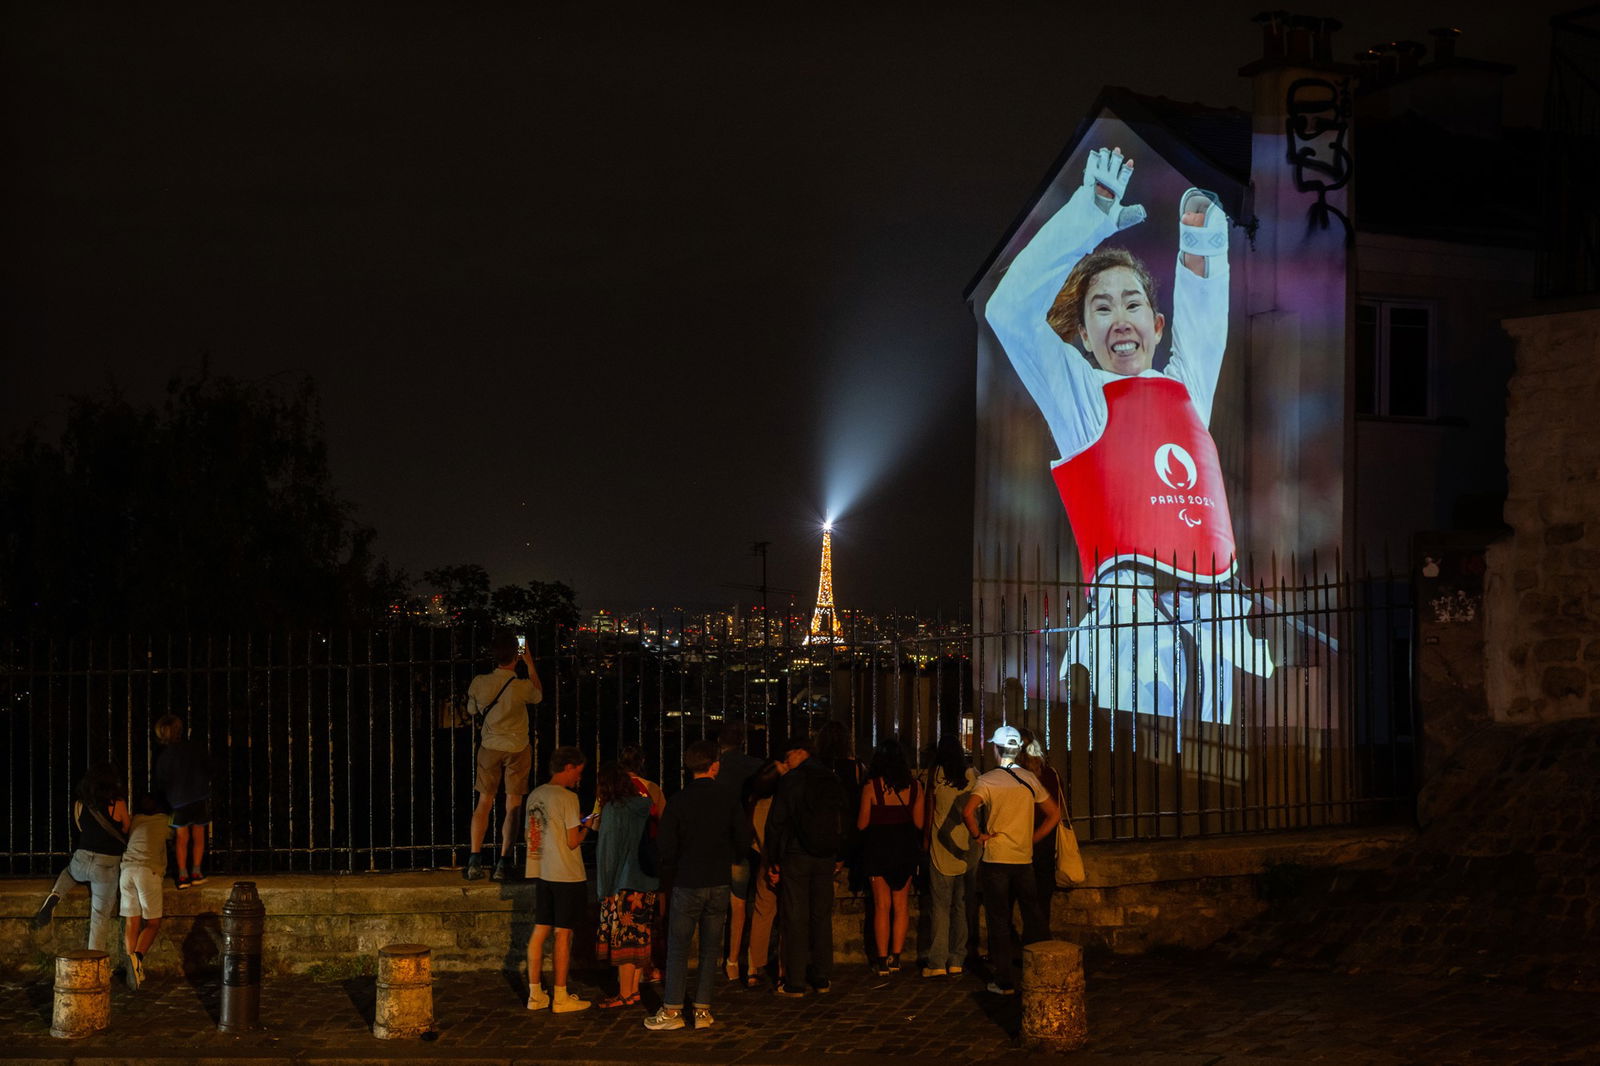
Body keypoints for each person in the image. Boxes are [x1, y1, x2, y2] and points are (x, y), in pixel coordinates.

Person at [984, 145, 1274, 724]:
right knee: (1138, 770)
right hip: (1131, 629)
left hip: (1215, 622)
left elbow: (1205, 319)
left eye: (1133, 304)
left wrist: (1200, 239)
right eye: (1101, 308)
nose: (1120, 318)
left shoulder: (1185, 390)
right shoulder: (1081, 397)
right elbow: (1008, 312)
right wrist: (1088, 217)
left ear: (1156, 325)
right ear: (1085, 338)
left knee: (1212, 774)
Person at [644, 739, 750, 1032]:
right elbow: (743, 838)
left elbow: (665, 845)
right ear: (714, 765)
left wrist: (677, 861)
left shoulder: (679, 801)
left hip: (688, 880)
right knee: (709, 949)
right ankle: (703, 1010)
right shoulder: (728, 797)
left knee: (678, 949)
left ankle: (673, 1009)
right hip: (718, 881)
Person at [962, 725, 1060, 996]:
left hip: (996, 859)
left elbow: (968, 811)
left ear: (996, 749)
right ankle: (1042, 972)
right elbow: (1054, 814)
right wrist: (1032, 839)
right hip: (1023, 859)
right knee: (1033, 916)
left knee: (999, 921)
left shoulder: (989, 780)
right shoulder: (1029, 778)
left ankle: (1004, 980)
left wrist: (979, 835)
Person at [764, 733, 849, 998]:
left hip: (796, 854)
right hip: (825, 855)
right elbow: (844, 818)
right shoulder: (831, 778)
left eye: (788, 756)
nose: (786, 762)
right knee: (821, 916)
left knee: (796, 916)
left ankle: (796, 981)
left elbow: (776, 822)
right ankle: (822, 976)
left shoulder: (791, 781)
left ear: (801, 752)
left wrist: (773, 860)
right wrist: (841, 853)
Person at [465, 629, 544, 882]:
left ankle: (474, 860)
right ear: (516, 655)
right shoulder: (521, 687)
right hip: (518, 748)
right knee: (513, 806)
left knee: (484, 802)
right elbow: (538, 694)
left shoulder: (479, 682)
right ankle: (503, 862)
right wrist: (530, 664)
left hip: (490, 747)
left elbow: (472, 709)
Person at [32, 762, 131, 953]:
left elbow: (80, 828)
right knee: (99, 915)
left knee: (69, 872)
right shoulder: (117, 803)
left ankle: (56, 895)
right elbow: (126, 828)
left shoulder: (79, 804)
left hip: (82, 858)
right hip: (106, 865)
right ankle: (93, 961)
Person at [524, 746, 591, 1014]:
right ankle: (561, 996)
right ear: (569, 767)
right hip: (566, 873)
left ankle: (535, 993)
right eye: (579, 771)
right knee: (563, 934)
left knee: (540, 931)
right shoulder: (568, 798)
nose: (579, 778)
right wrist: (587, 824)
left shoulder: (535, 795)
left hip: (542, 871)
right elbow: (572, 841)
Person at [591, 762, 658, 1009]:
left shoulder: (613, 810)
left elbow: (608, 853)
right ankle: (635, 990)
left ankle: (625, 993)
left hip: (624, 882)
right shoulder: (643, 806)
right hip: (647, 880)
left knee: (624, 940)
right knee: (640, 936)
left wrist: (604, 890)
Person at [857, 737, 924, 975]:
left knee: (881, 906)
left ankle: (882, 959)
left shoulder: (871, 787)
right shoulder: (915, 786)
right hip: (905, 848)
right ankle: (897, 957)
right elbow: (919, 822)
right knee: (901, 905)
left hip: (878, 848)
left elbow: (862, 824)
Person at [921, 732, 977, 978]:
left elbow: (929, 810)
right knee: (960, 905)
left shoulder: (934, 774)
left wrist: (924, 840)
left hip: (939, 847)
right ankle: (957, 958)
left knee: (940, 906)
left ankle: (936, 962)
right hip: (966, 847)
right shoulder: (972, 776)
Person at [714, 718, 764, 982]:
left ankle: (718, 956)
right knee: (741, 902)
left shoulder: (713, 769)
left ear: (719, 743)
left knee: (712, 903)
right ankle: (738, 960)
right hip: (743, 839)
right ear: (742, 741)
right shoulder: (754, 767)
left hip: (716, 839)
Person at [741, 758, 787, 988]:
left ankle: (753, 966)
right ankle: (782, 970)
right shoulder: (782, 803)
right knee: (787, 917)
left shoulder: (755, 802)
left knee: (761, 914)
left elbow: (756, 839)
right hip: (782, 865)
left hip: (763, 862)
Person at [119, 792, 172, 990]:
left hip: (126, 872)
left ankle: (133, 969)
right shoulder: (165, 821)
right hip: (148, 872)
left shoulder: (135, 820)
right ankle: (138, 958)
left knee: (131, 921)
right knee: (152, 923)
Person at [153, 713, 211, 888]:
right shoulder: (194, 748)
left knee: (181, 838)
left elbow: (161, 781)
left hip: (178, 801)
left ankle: (183, 875)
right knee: (199, 836)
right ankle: (196, 871)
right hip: (199, 796)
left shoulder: (165, 756)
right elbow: (208, 767)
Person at [1018, 727, 1067, 907]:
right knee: (1043, 897)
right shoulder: (1051, 774)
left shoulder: (1017, 777)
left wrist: (1032, 838)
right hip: (1047, 841)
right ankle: (1041, 934)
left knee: (1021, 897)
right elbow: (1059, 808)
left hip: (1023, 839)